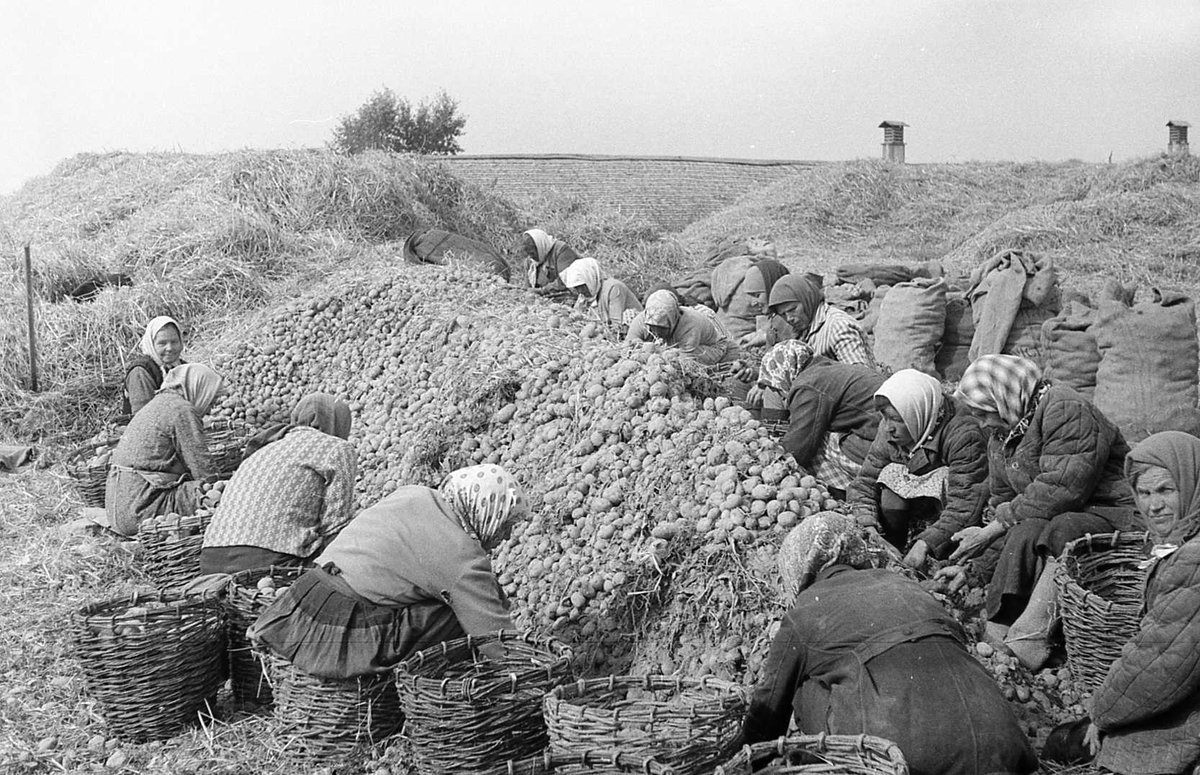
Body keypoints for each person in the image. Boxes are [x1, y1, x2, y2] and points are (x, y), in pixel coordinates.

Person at [738, 513, 1038, 775]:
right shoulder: (906, 585)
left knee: (805, 688)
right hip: (1001, 745)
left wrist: (742, 762)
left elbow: (767, 712)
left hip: (906, 762)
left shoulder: (804, 611)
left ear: (798, 566)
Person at [942, 354, 1136, 670]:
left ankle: (1031, 638)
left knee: (1062, 526)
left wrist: (991, 530)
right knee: (1025, 528)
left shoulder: (1065, 408)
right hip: (1057, 515)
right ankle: (999, 629)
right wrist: (973, 569)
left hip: (1110, 511)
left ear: (1005, 397)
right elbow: (1008, 509)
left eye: (985, 414)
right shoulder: (1002, 435)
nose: (983, 424)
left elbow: (1062, 488)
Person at [248, 465, 528, 680]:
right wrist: (530, 673)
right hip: (339, 629)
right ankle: (412, 683)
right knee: (456, 614)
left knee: (451, 600)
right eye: (506, 524)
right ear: (486, 510)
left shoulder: (415, 493)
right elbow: (495, 637)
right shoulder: (462, 556)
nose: (505, 537)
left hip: (306, 595)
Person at [199, 393, 358, 575]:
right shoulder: (338, 448)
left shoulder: (268, 445)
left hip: (210, 560)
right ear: (340, 423)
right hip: (267, 561)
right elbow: (336, 526)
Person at [848, 369, 990, 569]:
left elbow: (965, 503)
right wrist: (868, 528)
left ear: (917, 414)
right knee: (890, 473)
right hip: (915, 505)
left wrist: (925, 544)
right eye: (885, 417)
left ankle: (940, 557)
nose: (888, 427)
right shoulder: (889, 430)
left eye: (897, 420)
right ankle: (897, 542)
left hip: (950, 515)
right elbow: (864, 482)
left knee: (943, 477)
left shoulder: (963, 435)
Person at [752, 340, 885, 493]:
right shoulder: (822, 367)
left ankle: (843, 492)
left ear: (784, 372)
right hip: (890, 432)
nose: (781, 395)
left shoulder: (808, 385)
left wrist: (770, 470)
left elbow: (799, 446)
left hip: (880, 444)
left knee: (813, 444)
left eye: (777, 388)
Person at [105, 363, 222, 536]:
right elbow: (202, 466)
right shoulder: (181, 409)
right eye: (211, 399)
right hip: (142, 510)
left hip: (118, 509)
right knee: (207, 494)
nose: (211, 408)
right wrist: (226, 487)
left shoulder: (159, 402)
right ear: (198, 388)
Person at [745, 274, 875, 368]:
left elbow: (860, 376)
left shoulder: (837, 327)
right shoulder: (804, 328)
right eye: (783, 314)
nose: (789, 318)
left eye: (793, 309)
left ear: (806, 299)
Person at [625, 290, 742, 367]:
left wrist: (656, 355)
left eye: (661, 328)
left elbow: (685, 361)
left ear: (673, 319)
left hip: (710, 348)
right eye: (652, 327)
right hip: (672, 347)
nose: (656, 332)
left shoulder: (690, 325)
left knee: (674, 360)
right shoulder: (642, 319)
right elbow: (628, 344)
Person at [558, 257, 643, 335]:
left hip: (633, 332)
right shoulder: (585, 296)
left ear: (590, 278)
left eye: (582, 286)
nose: (580, 291)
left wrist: (594, 329)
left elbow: (617, 327)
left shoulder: (614, 289)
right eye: (577, 288)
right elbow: (576, 316)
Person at [711, 257, 790, 341]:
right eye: (751, 295)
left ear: (772, 288)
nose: (753, 303)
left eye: (757, 295)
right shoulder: (769, 317)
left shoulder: (788, 317)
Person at [123, 316, 185, 415]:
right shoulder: (141, 372)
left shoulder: (183, 368)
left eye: (174, 342)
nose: (169, 348)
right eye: (162, 343)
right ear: (151, 344)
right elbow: (144, 417)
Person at [521, 228, 580, 293]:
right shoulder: (531, 261)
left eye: (532, 253)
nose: (531, 257)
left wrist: (542, 291)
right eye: (528, 254)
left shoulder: (561, 250)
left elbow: (566, 279)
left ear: (539, 247)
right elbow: (527, 287)